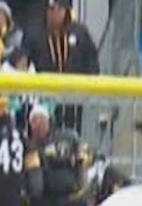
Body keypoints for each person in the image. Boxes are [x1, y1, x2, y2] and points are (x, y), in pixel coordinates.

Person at [28, 0, 100, 131]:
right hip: (44, 96)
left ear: (65, 11)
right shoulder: (36, 34)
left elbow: (91, 58)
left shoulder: (79, 32)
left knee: (71, 130)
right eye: (51, 9)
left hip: (73, 95)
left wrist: (89, 84)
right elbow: (25, 60)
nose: (54, 13)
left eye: (58, 9)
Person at [31, 109, 93, 206]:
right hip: (47, 200)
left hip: (70, 196)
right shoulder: (29, 145)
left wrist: (81, 188)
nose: (38, 125)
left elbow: (83, 159)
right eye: (34, 121)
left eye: (41, 120)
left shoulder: (67, 137)